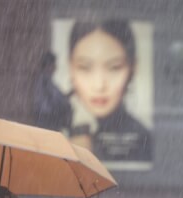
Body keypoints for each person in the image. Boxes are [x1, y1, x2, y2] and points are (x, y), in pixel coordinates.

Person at [67, 20, 152, 162]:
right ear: (70, 68)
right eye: (85, 67)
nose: (99, 85)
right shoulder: (56, 132)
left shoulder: (143, 139)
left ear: (133, 68)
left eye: (114, 67)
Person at [33, 52, 72, 132]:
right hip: (46, 118)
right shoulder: (44, 80)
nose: (55, 67)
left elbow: (60, 97)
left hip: (48, 118)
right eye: (53, 64)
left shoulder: (48, 80)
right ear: (48, 65)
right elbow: (56, 99)